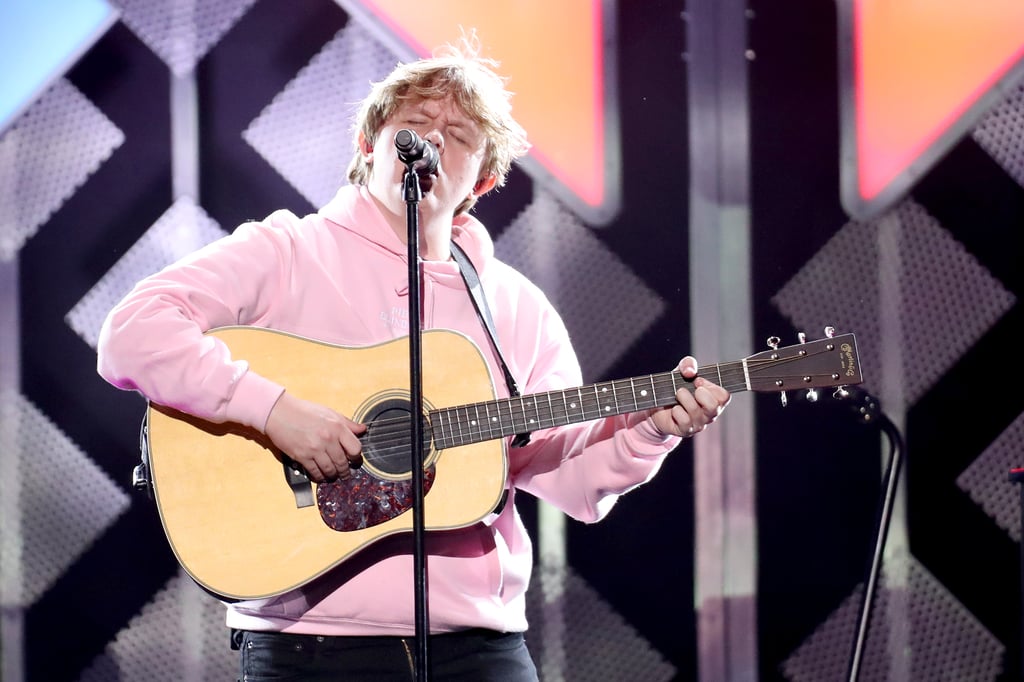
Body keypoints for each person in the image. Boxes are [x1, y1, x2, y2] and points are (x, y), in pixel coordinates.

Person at [96, 33, 730, 681]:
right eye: (414, 125)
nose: (431, 142)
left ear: (482, 178)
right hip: (310, 646)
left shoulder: (514, 306)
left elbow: (568, 479)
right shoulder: (287, 251)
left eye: (457, 134)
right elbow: (133, 332)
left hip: (479, 648)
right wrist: (276, 410)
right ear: (371, 146)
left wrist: (651, 429)